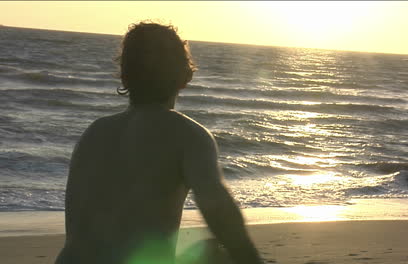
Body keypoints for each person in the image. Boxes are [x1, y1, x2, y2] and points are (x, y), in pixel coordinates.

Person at [55, 22, 263, 264]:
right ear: (185, 77)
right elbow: (220, 211)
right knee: (215, 252)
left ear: (124, 76)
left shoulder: (93, 133)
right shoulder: (188, 134)